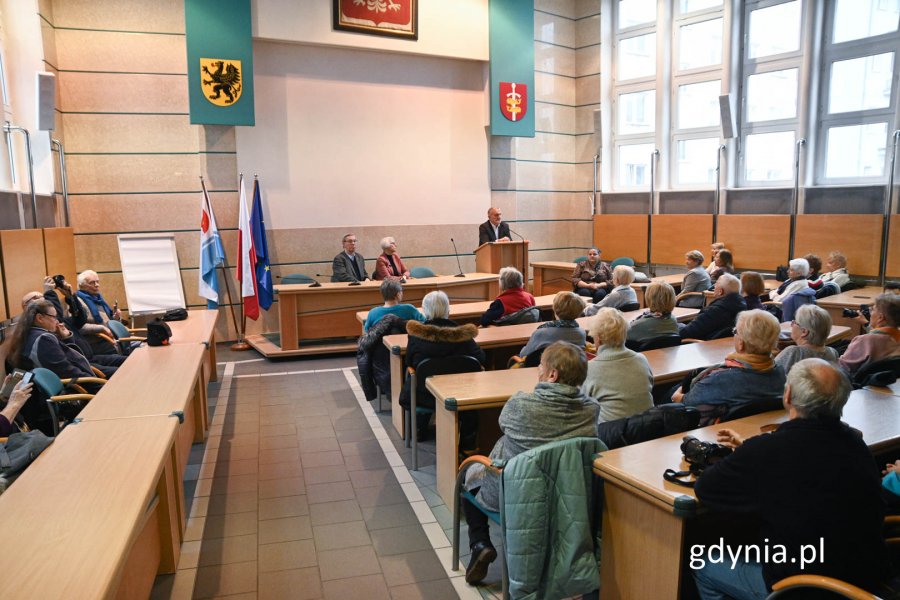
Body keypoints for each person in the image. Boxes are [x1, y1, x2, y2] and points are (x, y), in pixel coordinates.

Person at [692, 359, 890, 598]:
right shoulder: (855, 444)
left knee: (703, 563)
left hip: (806, 586)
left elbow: (706, 489)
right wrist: (748, 451)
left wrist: (748, 454)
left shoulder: (769, 451)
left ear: (787, 396)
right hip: (865, 577)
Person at [461, 341, 597, 585]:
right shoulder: (591, 410)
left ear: (552, 375)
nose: (538, 370)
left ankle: (480, 542)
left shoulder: (520, 405)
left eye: (541, 366)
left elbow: (503, 425)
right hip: (569, 497)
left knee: (467, 475)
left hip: (516, 495)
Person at [5, 300, 102, 433]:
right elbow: (67, 371)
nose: (57, 321)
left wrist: (66, 338)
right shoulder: (43, 339)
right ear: (40, 318)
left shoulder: (26, 335)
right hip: (57, 401)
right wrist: (101, 386)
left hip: (41, 403)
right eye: (54, 317)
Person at [673, 309, 785, 423]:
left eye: (735, 331)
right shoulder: (781, 373)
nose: (734, 334)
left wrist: (677, 393)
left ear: (741, 343)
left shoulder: (720, 379)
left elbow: (684, 402)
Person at [402, 291, 486, 439]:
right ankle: (468, 438)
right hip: (462, 393)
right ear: (448, 310)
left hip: (426, 394)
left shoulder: (416, 336)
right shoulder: (464, 336)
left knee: (414, 375)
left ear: (425, 311)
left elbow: (409, 362)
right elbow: (481, 358)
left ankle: (420, 427)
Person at [23, 277, 126, 372]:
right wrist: (49, 293)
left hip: (89, 358)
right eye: (36, 297)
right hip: (84, 366)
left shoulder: (58, 321)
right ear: (26, 306)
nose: (42, 299)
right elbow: (68, 368)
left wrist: (70, 296)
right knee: (122, 372)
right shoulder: (43, 332)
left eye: (43, 296)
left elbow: (81, 319)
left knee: (126, 361)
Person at [583, 308, 653, 423]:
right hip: (646, 428)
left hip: (610, 435)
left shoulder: (589, 369)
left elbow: (581, 406)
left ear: (598, 338)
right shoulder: (642, 360)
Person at [839, 293, 900, 375]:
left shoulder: (864, 341)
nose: (870, 313)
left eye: (873, 309)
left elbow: (842, 369)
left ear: (881, 317)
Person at [679, 274, 747, 341]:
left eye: (716, 284)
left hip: (700, 345)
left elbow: (687, 333)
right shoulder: (742, 306)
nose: (714, 286)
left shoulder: (716, 310)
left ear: (720, 291)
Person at [774, 304, 839, 375]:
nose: (792, 325)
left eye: (795, 322)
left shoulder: (793, 352)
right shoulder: (833, 353)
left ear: (804, 332)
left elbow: (771, 374)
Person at [519, 292, 586, 358]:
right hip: (571, 368)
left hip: (545, 367)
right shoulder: (582, 333)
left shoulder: (541, 333)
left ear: (555, 309)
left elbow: (523, 354)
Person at [74, 269, 122, 354]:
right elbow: (79, 327)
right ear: (81, 285)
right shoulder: (77, 302)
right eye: (92, 283)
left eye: (97, 281)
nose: (97, 285)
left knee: (140, 346)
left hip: (110, 337)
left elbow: (108, 320)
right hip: (95, 342)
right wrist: (101, 328)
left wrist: (115, 318)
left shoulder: (98, 298)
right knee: (132, 351)